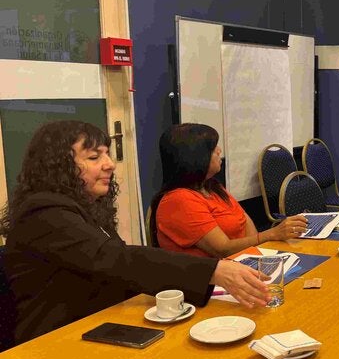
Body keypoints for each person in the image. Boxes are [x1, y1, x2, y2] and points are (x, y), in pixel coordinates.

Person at [1, 121, 270, 344]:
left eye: (107, 154)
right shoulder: (44, 212)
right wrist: (214, 271)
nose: (110, 164)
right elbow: (116, 259)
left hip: (101, 324)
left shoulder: (86, 207)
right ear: (58, 167)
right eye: (94, 157)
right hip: (54, 342)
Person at [151, 123, 307, 258]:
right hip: (212, 277)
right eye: (213, 148)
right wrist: (272, 234)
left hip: (243, 262)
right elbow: (222, 249)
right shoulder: (178, 200)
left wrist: (259, 251)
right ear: (194, 157)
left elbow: (245, 223)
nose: (219, 151)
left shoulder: (213, 186)